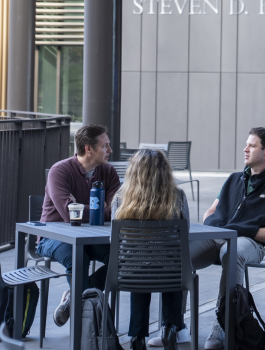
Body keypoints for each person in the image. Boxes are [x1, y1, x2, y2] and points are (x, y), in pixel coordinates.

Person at [194, 127, 265, 350]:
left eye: (251, 145)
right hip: (217, 236)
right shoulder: (233, 180)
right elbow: (211, 211)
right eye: (246, 144)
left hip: (250, 244)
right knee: (180, 253)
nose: (245, 149)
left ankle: (222, 324)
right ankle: (173, 325)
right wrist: (216, 225)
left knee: (233, 252)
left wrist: (240, 230)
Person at [38, 124, 120, 327]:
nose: (110, 150)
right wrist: (103, 209)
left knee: (123, 256)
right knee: (78, 257)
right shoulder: (60, 171)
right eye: (105, 146)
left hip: (93, 236)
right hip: (54, 236)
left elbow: (118, 209)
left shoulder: (108, 172)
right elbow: (68, 214)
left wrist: (81, 208)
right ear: (88, 149)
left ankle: (75, 297)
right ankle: (90, 327)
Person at [112, 149, 190, 350]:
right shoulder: (178, 197)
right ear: (165, 172)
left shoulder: (120, 199)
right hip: (171, 272)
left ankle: (137, 336)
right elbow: (185, 231)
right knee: (174, 264)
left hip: (131, 272)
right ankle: (170, 327)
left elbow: (116, 239)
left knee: (141, 267)